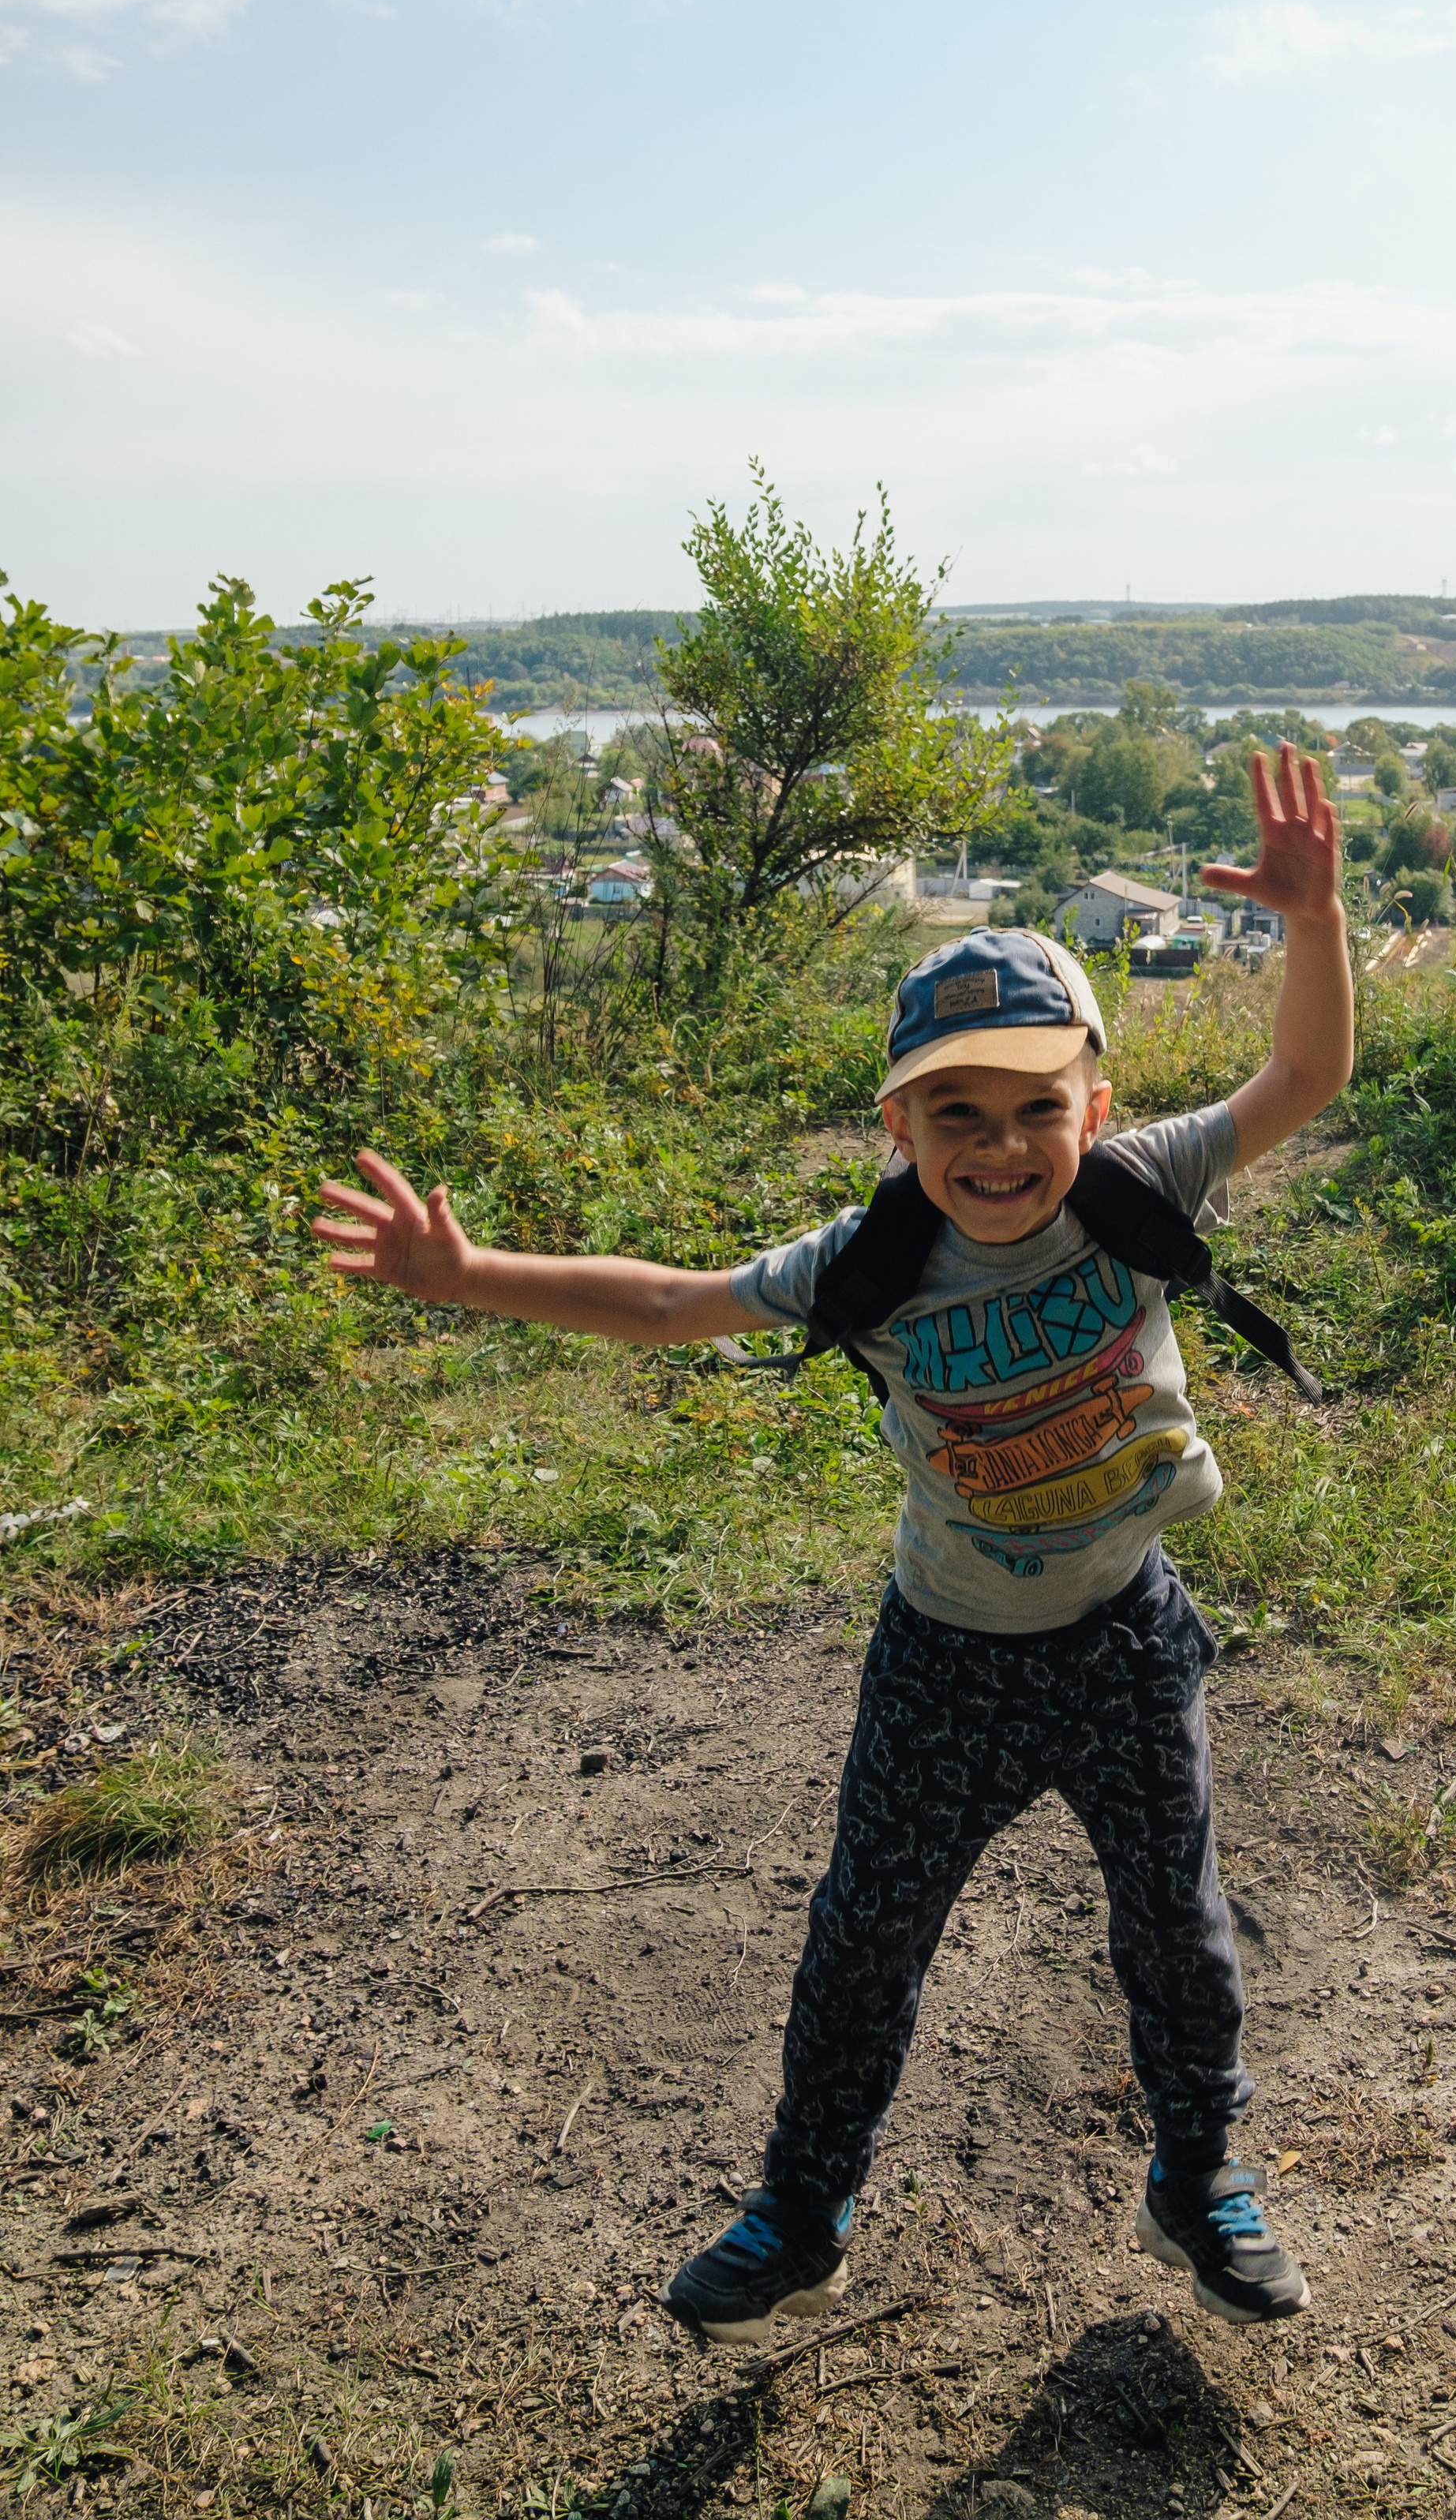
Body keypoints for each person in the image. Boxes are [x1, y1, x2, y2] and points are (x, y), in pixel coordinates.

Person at [314, 744, 1352, 2344]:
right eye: (956, 1111)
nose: (997, 1146)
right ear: (898, 1123)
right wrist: (471, 1278)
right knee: (864, 1940)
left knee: (1178, 1932)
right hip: (943, 1658)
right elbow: (667, 1302)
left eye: (1033, 1108)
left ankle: (1199, 2176)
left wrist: (1315, 924)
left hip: (1128, 1638)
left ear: (1094, 1105)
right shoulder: (870, 1257)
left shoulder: (1139, 1188)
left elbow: (1299, 1082)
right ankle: (803, 2208)